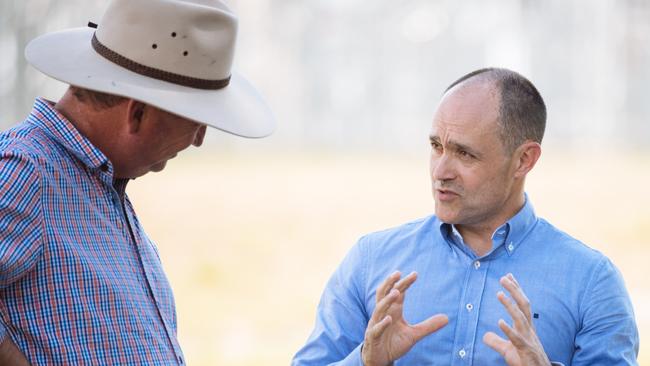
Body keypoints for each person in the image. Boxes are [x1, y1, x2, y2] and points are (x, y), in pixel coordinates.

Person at [292, 68, 639, 366]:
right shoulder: (372, 261)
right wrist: (366, 361)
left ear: (524, 160)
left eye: (465, 154)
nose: (441, 170)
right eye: (436, 147)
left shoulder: (592, 282)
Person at [0, 0, 274, 364]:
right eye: (195, 118)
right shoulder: (25, 170)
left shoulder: (93, 183)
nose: (198, 138)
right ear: (138, 113)